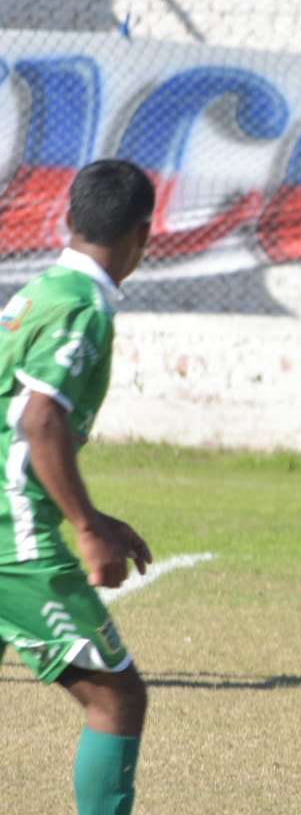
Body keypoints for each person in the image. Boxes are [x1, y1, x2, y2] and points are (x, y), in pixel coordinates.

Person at [0, 159, 156, 815]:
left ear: (69, 219)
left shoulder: (37, 291)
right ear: (144, 235)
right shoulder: (83, 309)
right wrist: (86, 529)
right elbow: (40, 418)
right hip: (15, 539)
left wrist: (93, 512)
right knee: (115, 695)